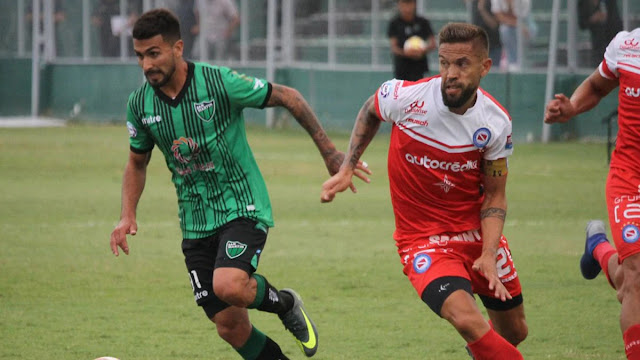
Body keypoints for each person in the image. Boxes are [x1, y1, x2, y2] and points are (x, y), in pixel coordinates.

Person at [110, 8, 369, 360]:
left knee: (229, 284)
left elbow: (289, 97)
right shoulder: (139, 105)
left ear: (178, 48)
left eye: (153, 54)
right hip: (195, 221)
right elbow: (136, 163)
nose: (146, 65)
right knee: (230, 327)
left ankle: (286, 304)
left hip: (242, 204)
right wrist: (127, 215)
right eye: (140, 56)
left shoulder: (218, 83)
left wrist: (330, 154)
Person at [321, 22, 528, 359]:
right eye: (445, 63)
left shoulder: (495, 123)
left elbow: (494, 195)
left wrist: (488, 252)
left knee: (514, 332)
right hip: (423, 241)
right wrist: (347, 166)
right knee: (467, 319)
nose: (451, 73)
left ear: (484, 67)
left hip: (476, 235)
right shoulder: (407, 98)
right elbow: (371, 109)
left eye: (462, 64)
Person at [544, 28, 640, 360]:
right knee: (636, 277)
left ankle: (598, 246)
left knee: (628, 282)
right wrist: (571, 107)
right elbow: (597, 86)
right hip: (630, 179)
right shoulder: (627, 45)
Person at [387, 0, 437, 81]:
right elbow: (394, 47)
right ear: (399, 5)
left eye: (409, 3)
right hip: (402, 68)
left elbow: (433, 43)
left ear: (414, 4)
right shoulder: (394, 23)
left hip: (420, 67)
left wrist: (422, 50)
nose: (407, 8)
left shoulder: (423, 22)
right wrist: (406, 53)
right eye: (403, 4)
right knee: (402, 93)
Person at [578, 0, 623, 67]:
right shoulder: (583, 2)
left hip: (611, 41)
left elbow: (617, 22)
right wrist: (593, 19)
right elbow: (582, 23)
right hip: (597, 43)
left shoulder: (609, 2)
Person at [490, 0, 533, 71]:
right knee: (505, 30)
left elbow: (520, 18)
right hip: (512, 25)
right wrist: (519, 25)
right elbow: (499, 17)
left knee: (528, 30)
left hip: (525, 22)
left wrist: (511, 6)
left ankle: (523, 61)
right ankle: (512, 62)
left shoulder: (524, 1)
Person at [465, 0, 502, 66]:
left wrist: (482, 9)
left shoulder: (493, 3)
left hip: (493, 45)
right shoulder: (473, 2)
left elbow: (494, 25)